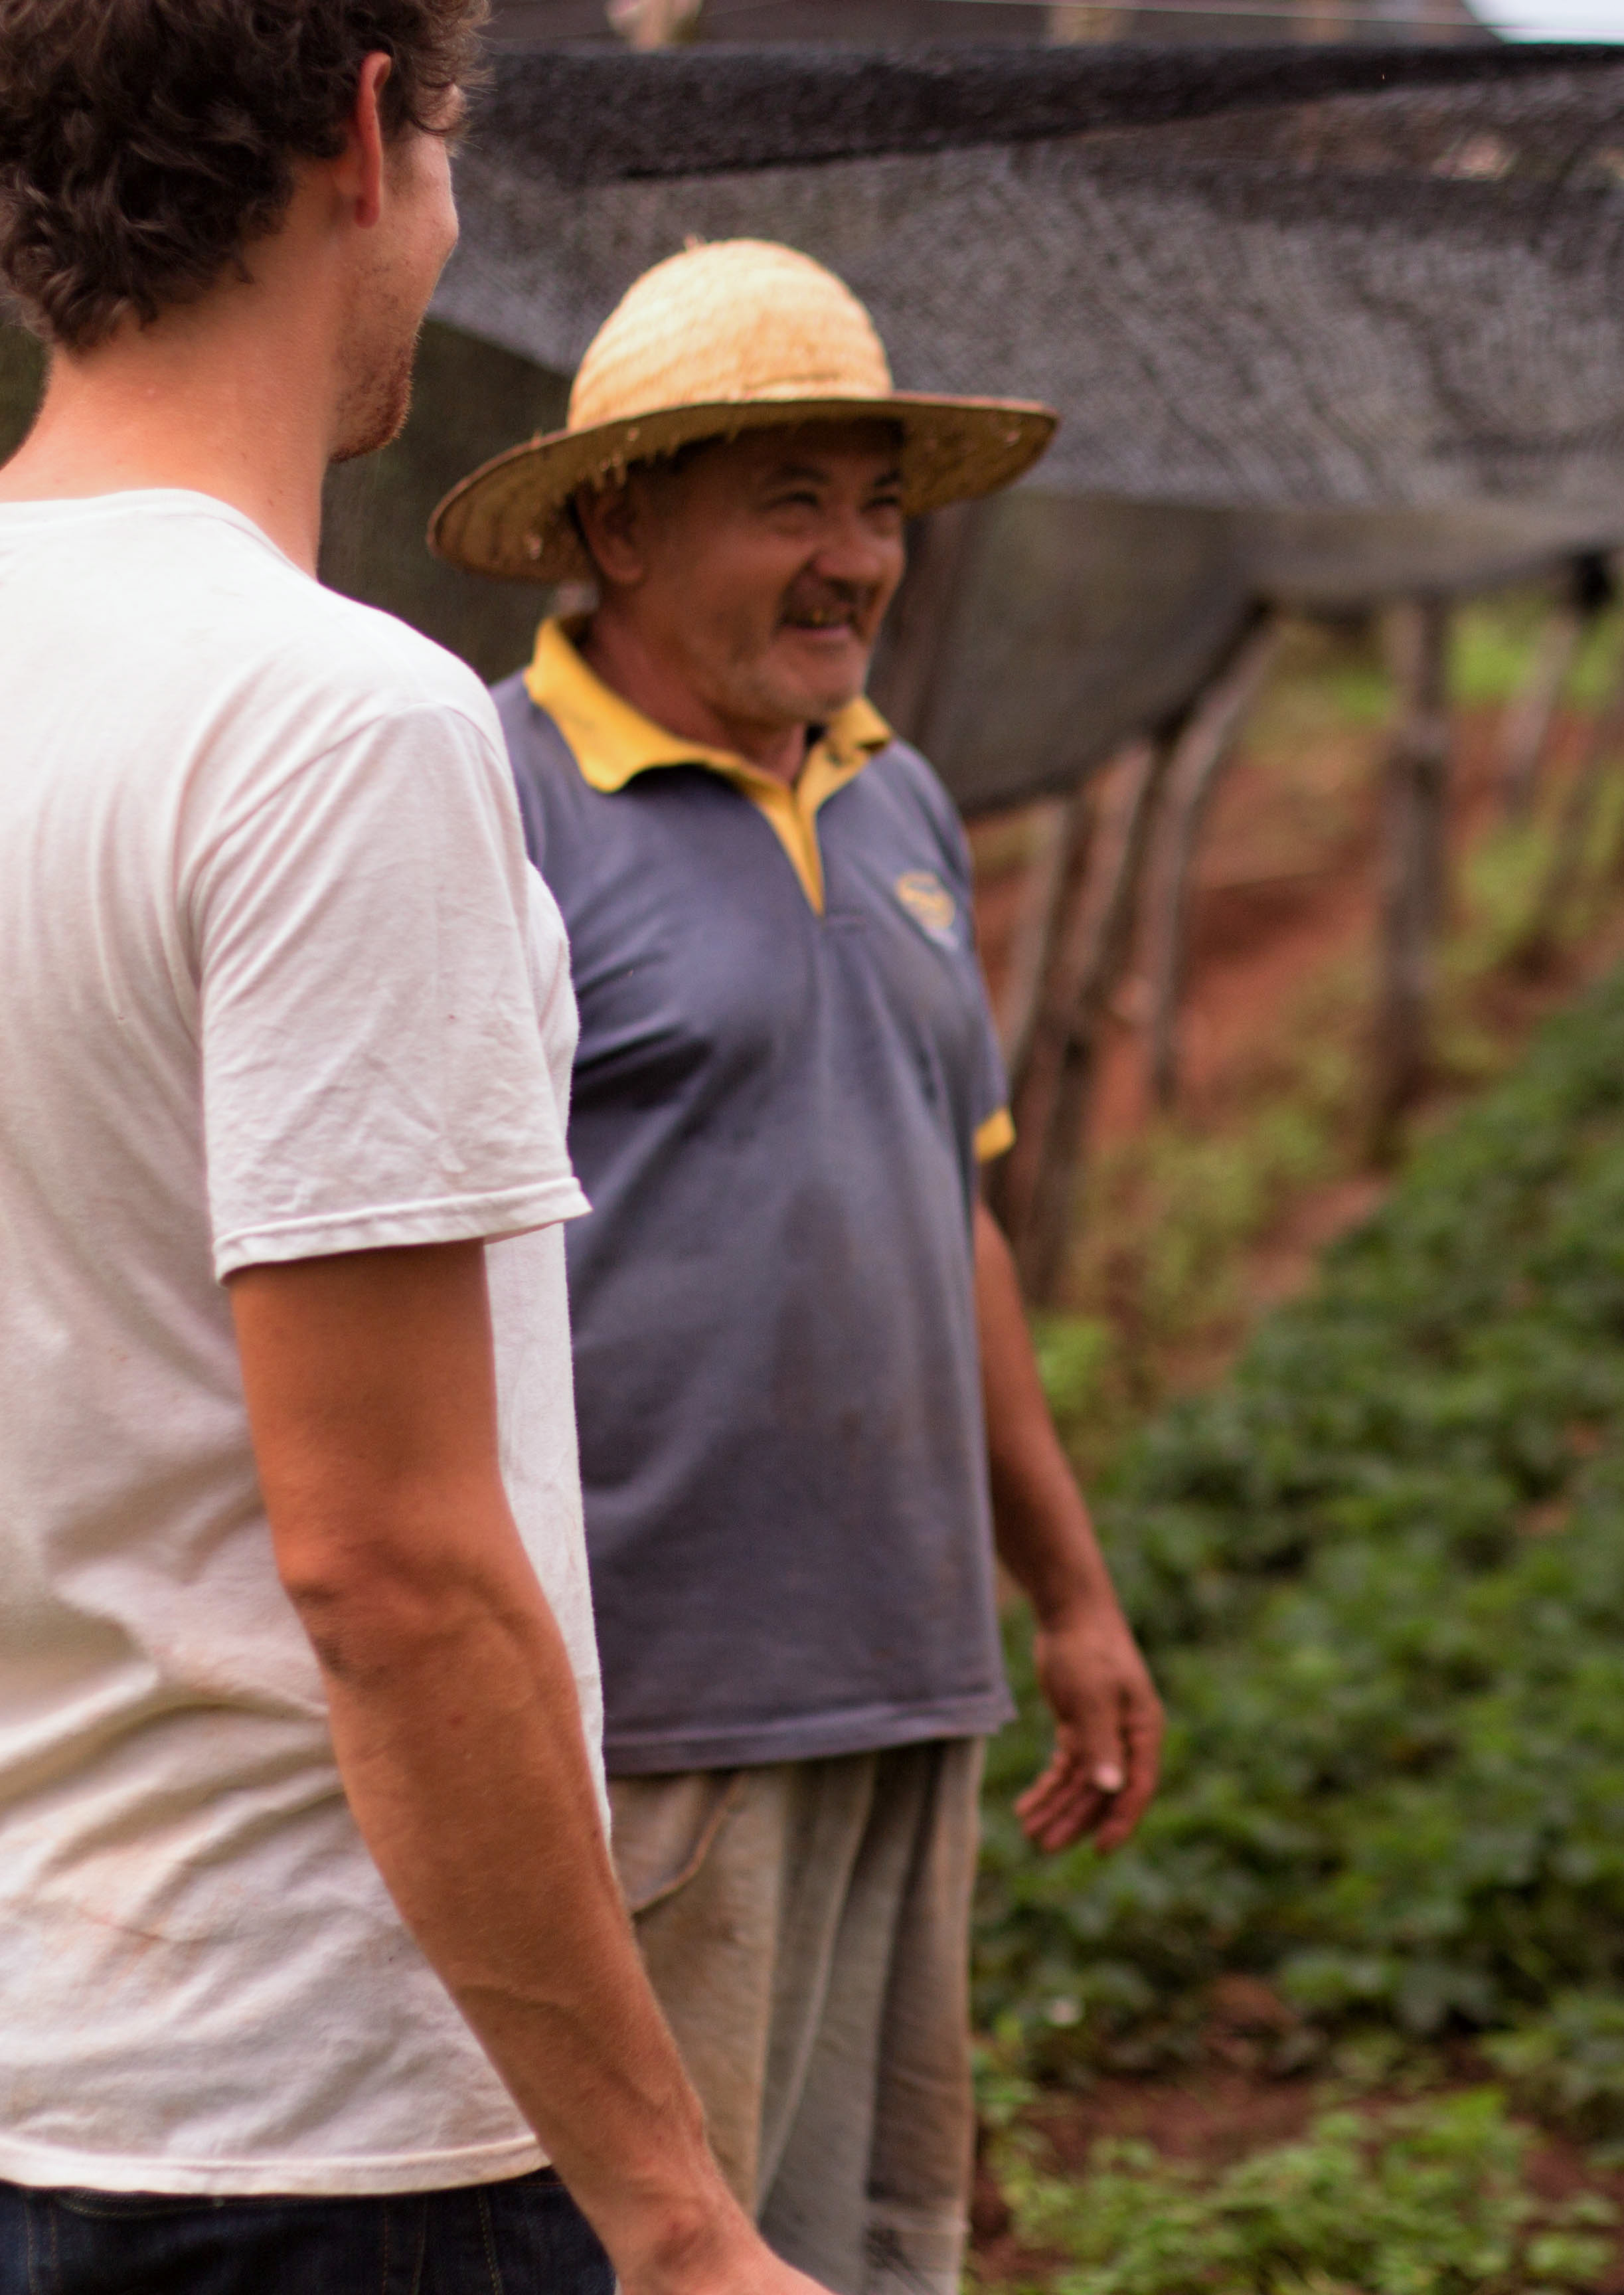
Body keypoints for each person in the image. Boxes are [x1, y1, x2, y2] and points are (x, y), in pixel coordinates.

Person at [0, 5, 831, 2294]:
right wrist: (675, 2218)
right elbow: (388, 1567)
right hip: (305, 2137)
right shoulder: (328, 720)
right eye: (455, 138)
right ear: (369, 135)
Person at [426, 240, 1163, 2295]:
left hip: (908, 1678)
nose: (854, 561)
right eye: (790, 503)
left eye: (879, 506)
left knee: (873, 2243)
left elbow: (959, 1218)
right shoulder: (499, 808)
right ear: (616, 525)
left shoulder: (900, 790)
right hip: (662, 1715)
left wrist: (1072, 1593)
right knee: (670, 2250)